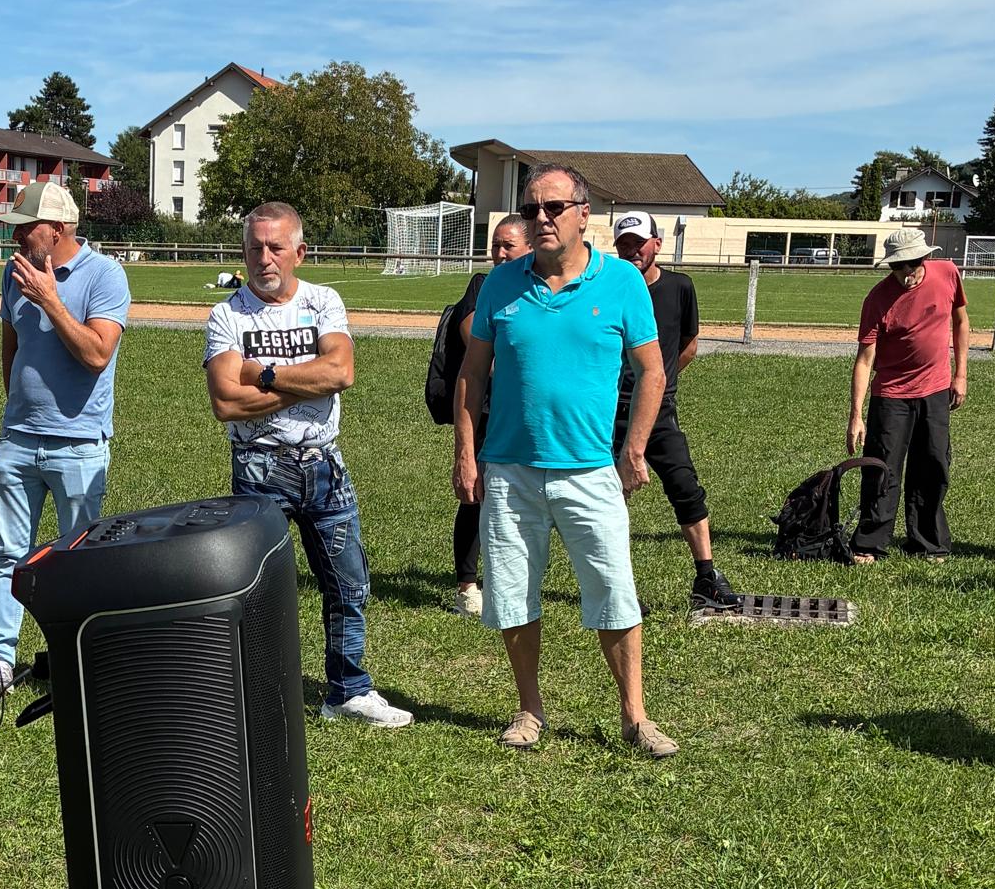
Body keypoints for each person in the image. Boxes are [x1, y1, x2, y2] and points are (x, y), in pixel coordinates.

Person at [453, 164, 675, 756]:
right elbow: (472, 375)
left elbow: (652, 370)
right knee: (513, 593)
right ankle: (529, 710)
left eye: (553, 207)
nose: (541, 219)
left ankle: (635, 717)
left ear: (584, 214)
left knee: (613, 590)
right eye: (532, 210)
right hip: (510, 470)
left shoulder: (623, 282)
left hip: (588, 469)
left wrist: (633, 448)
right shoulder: (502, 284)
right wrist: (466, 453)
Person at [204, 202, 412, 727]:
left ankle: (346, 691)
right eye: (254, 248)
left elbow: (341, 372)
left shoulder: (324, 301)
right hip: (258, 468)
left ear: (299, 251)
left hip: (324, 465)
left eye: (275, 247)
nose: (264, 258)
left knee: (348, 583)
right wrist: (303, 382)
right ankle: (256, 692)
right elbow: (226, 402)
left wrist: (266, 375)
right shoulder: (227, 314)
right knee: (255, 589)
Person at [0, 179, 131, 694]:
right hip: (18, 441)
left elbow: (95, 354)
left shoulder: (105, 276)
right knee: (9, 553)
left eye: (28, 227)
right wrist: (16, 413)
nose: (17, 237)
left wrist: (50, 300)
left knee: (75, 562)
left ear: (61, 229)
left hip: (78, 446)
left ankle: (73, 657)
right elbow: (10, 349)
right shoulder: (12, 273)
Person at [610, 210, 740, 609]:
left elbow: (689, 344)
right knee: (610, 498)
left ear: (657, 244)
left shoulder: (680, 287)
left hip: (659, 410)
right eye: (624, 245)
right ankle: (614, 585)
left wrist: (659, 380)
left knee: (685, 487)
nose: (633, 251)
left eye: (639, 243)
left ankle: (706, 576)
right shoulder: (609, 289)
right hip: (610, 411)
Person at [845, 226, 970, 564]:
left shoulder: (947, 274)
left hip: (936, 389)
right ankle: (870, 543)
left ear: (925, 257)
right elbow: (864, 359)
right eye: (897, 266)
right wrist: (856, 415)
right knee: (882, 468)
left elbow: (961, 322)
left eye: (913, 263)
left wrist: (960, 374)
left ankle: (929, 542)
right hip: (892, 395)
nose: (906, 273)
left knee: (933, 464)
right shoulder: (877, 299)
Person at [449, 213, 532, 616]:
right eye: (496, 245)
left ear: (529, 247)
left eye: (508, 245)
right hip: (486, 409)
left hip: (527, 414)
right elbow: (474, 341)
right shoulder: (483, 285)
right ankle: (467, 585)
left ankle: (512, 580)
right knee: (476, 494)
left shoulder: (540, 287)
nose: (499, 253)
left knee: (524, 496)